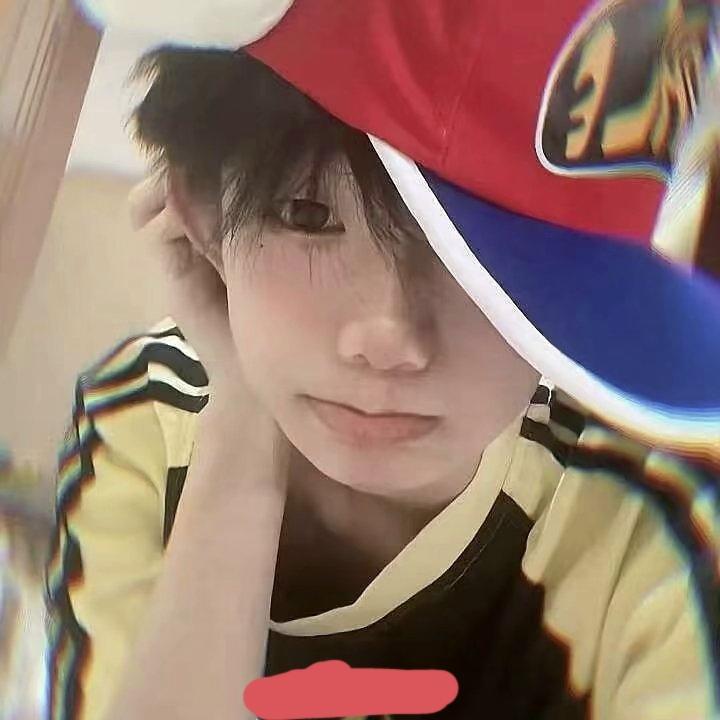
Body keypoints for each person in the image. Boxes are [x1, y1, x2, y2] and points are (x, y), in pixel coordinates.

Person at [46, 1, 720, 719]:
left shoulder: (644, 519)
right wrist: (239, 435)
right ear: (196, 213)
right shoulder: (141, 420)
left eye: (482, 265)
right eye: (307, 215)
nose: (388, 339)